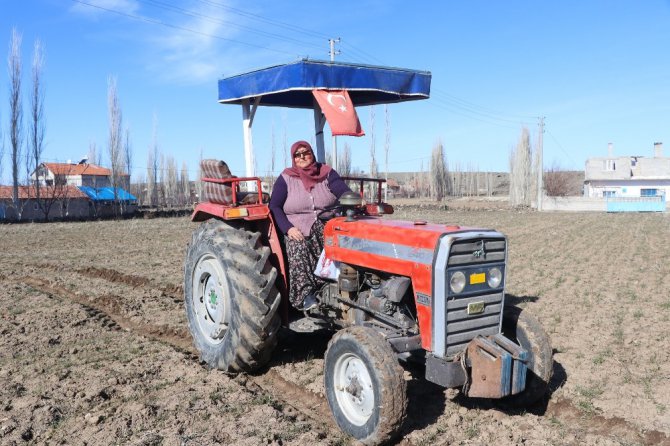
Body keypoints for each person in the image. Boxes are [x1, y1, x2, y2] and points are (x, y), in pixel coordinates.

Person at [269, 140, 351, 311]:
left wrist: (352, 198)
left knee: (341, 242)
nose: (302, 157)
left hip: (326, 221)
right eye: (297, 155)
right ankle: (305, 295)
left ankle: (340, 286)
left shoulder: (327, 172)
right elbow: (274, 206)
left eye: (305, 153)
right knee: (298, 245)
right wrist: (288, 228)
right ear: (293, 158)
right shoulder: (286, 178)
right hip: (295, 225)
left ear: (312, 153)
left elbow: (342, 191)